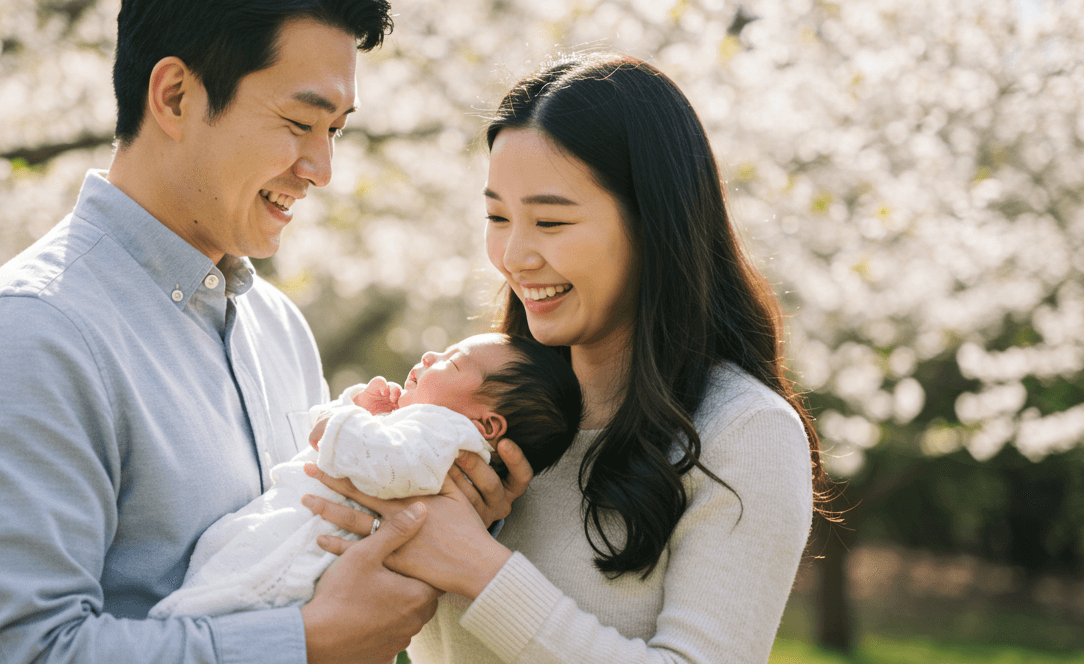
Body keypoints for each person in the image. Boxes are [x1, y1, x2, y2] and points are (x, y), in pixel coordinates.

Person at [0, 0, 529, 664]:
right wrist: (303, 645)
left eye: (334, 130)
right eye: (300, 122)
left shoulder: (278, 328)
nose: (321, 169)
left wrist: (441, 528)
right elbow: (25, 653)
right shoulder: (30, 338)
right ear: (174, 96)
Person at [302, 54, 834, 663]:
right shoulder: (486, 411)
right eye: (498, 216)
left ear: (653, 225)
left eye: (551, 221)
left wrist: (479, 567)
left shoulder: (744, 432)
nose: (515, 255)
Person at [149, 333, 583, 620]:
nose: (431, 355)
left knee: (232, 592)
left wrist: (344, 419)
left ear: (486, 426)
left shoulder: (448, 433)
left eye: (451, 363)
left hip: (304, 551)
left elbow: (386, 466)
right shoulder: (431, 439)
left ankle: (181, 621)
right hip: (299, 533)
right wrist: (366, 417)